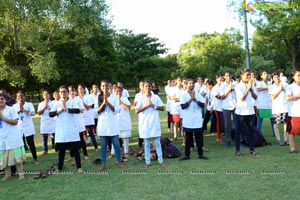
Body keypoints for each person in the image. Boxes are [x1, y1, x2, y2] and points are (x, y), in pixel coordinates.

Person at [49, 86, 83, 173]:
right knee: (61, 151)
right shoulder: (56, 104)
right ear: (59, 93)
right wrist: (61, 109)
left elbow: (77, 110)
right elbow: (51, 114)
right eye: (61, 92)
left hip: (72, 129)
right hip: (61, 130)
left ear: (68, 93)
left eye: (65, 92)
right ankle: (59, 168)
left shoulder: (72, 102)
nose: (63, 93)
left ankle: (79, 167)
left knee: (75, 150)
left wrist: (67, 109)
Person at [135, 81, 167, 168]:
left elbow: (163, 108)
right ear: (143, 88)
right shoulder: (140, 98)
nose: (148, 88)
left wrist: (153, 106)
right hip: (145, 124)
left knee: (157, 143)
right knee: (147, 144)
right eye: (146, 86)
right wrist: (146, 106)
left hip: (154, 122)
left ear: (151, 87)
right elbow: (136, 110)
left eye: (149, 86)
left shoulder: (155, 97)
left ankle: (160, 160)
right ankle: (148, 162)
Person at [96, 80, 126, 171]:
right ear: (101, 87)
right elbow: (96, 111)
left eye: (107, 86)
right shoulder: (98, 97)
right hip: (103, 125)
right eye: (103, 86)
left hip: (113, 124)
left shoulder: (114, 97)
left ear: (110, 87)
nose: (105, 87)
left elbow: (116, 110)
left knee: (116, 144)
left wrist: (108, 102)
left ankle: (119, 161)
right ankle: (103, 164)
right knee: (104, 145)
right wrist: (103, 103)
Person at [178, 78, 208, 161]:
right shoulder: (183, 94)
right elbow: (183, 106)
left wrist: (195, 99)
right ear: (187, 85)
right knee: (188, 139)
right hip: (188, 120)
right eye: (190, 83)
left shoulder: (198, 94)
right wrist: (191, 99)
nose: (192, 85)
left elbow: (202, 105)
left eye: (193, 83)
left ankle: (200, 154)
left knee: (199, 138)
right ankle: (187, 155)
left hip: (197, 120)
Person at [234, 69, 260, 158]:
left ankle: (252, 150)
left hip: (250, 112)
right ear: (242, 75)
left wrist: (251, 89)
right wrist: (248, 88)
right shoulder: (238, 86)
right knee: (238, 132)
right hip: (240, 112)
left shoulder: (251, 85)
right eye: (247, 75)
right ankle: (237, 151)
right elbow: (241, 98)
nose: (249, 77)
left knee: (251, 132)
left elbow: (256, 97)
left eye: (249, 75)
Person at [0, 93, 26, 180]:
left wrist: (3, 118)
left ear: (6, 100)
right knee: (4, 158)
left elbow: (15, 122)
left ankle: (21, 174)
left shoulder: (11, 110)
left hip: (12, 136)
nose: (0, 101)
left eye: (2, 99)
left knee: (17, 157)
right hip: (2, 137)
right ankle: (7, 175)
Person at [13, 91, 40, 164]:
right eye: (18, 96)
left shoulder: (29, 104)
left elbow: (33, 113)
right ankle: (22, 159)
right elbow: (13, 116)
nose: (20, 98)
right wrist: (19, 111)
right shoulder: (14, 106)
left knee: (31, 143)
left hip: (28, 127)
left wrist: (23, 110)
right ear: (16, 98)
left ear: (25, 96)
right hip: (18, 128)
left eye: (22, 96)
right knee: (20, 144)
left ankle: (35, 159)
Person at [111, 86, 132, 158]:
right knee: (114, 137)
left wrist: (121, 103)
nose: (118, 92)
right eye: (117, 91)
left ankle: (126, 151)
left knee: (125, 137)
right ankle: (113, 153)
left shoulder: (125, 99)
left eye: (120, 91)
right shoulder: (112, 99)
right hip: (115, 121)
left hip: (124, 121)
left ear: (122, 92)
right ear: (114, 92)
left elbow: (128, 108)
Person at [269, 72, 288, 146]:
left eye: (278, 77)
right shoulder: (271, 87)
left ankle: (286, 139)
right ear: (273, 79)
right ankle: (279, 140)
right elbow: (273, 97)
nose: (277, 78)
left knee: (286, 124)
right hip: (276, 108)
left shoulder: (284, 84)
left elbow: (288, 93)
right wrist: (280, 89)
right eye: (275, 77)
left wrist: (283, 88)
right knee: (276, 125)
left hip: (285, 107)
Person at [78, 84, 98, 151]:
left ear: (84, 89)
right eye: (79, 89)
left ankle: (96, 146)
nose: (80, 90)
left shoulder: (88, 97)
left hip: (88, 117)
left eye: (81, 88)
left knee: (90, 132)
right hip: (80, 118)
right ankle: (80, 147)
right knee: (80, 133)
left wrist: (82, 101)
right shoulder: (77, 98)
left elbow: (88, 107)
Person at [220, 71, 236, 148]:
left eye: (229, 75)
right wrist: (229, 90)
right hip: (226, 106)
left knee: (238, 124)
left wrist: (234, 89)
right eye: (226, 76)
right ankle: (228, 141)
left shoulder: (236, 84)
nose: (228, 77)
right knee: (227, 125)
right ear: (224, 77)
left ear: (231, 76)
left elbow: (240, 95)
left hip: (235, 106)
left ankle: (240, 140)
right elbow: (222, 97)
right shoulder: (222, 86)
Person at [37, 90, 56, 155]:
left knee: (55, 135)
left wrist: (49, 107)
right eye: (44, 94)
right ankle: (45, 150)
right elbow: (39, 113)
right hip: (44, 121)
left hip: (52, 121)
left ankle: (57, 148)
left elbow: (54, 112)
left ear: (49, 95)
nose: (46, 95)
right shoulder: (41, 104)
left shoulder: (53, 103)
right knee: (44, 137)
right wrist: (44, 107)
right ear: (43, 96)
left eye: (47, 94)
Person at [256, 70, 274, 135]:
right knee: (260, 119)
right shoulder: (259, 83)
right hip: (262, 104)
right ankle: (258, 133)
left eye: (266, 73)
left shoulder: (270, 82)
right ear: (261, 76)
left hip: (270, 103)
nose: (266, 74)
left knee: (272, 119)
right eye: (264, 73)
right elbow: (258, 89)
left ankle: (274, 133)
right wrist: (267, 88)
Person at [286, 70, 300, 154]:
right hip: (294, 112)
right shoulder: (290, 87)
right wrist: (298, 96)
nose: (299, 77)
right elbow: (287, 98)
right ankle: (292, 149)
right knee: (291, 132)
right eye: (298, 75)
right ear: (293, 77)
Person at [211, 75, 224, 143]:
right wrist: (223, 95)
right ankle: (218, 137)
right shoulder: (215, 88)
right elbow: (218, 97)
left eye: (222, 79)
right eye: (220, 79)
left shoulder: (224, 86)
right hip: (218, 107)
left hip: (224, 106)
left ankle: (224, 135)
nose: (222, 80)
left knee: (224, 122)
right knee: (219, 122)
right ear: (217, 80)